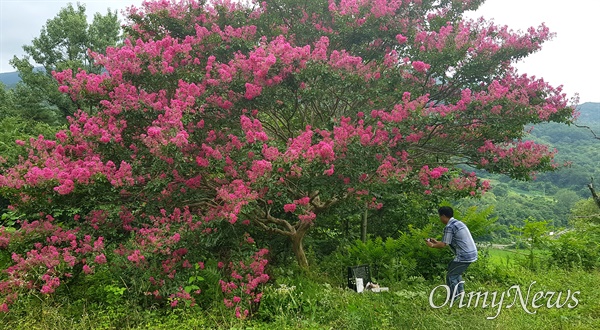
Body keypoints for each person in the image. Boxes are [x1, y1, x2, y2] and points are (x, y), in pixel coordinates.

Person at [425, 206, 477, 300]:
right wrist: (436, 242)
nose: (440, 219)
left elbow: (443, 245)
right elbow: (445, 242)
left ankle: (454, 298)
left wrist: (432, 245)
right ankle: (460, 293)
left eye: (440, 216)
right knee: (455, 272)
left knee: (451, 276)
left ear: (443, 216)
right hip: (471, 254)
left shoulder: (449, 227)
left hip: (464, 256)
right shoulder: (458, 223)